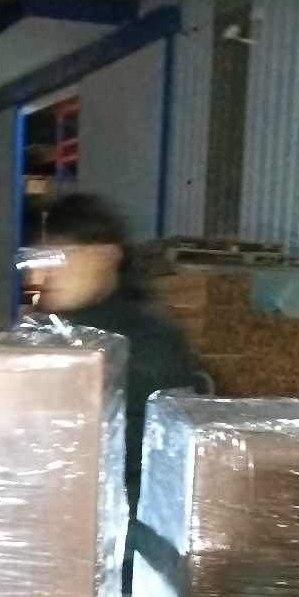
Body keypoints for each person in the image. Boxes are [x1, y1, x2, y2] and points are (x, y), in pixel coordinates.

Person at [27, 194, 201, 502]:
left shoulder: (147, 343)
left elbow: (156, 456)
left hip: (124, 513)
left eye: (63, 255)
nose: (46, 272)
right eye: (38, 258)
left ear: (107, 256)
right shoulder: (44, 334)